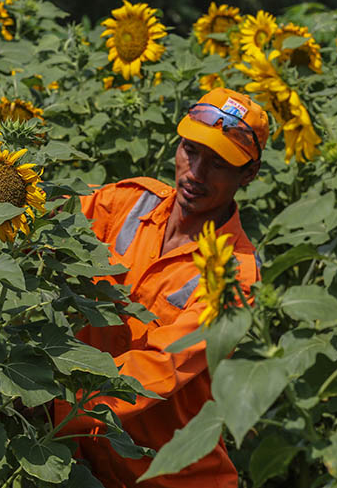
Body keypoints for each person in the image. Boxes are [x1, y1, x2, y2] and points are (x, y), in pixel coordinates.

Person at [53, 87, 268, 487]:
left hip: (171, 476)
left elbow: (161, 367)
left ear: (248, 175)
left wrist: (57, 401)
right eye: (191, 150)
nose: (195, 173)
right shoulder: (127, 203)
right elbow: (52, 225)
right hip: (88, 458)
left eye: (219, 164)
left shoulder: (233, 274)